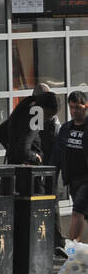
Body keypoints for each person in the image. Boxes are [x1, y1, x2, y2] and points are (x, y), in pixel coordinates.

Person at [55, 90, 88, 257]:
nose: (74, 111)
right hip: (72, 178)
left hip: (86, 178)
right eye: (72, 107)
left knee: (77, 211)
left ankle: (71, 247)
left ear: (86, 106)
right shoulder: (66, 128)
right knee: (83, 212)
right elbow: (58, 154)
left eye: (78, 107)